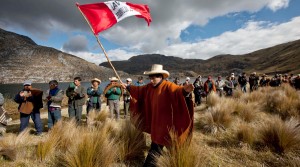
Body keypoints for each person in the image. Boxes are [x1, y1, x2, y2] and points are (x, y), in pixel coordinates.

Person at [123, 64, 194, 167]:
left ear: (161, 76)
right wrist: (128, 87)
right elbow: (139, 90)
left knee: (163, 145)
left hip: (167, 123)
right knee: (159, 144)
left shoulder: (168, 85)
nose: (151, 80)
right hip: (156, 122)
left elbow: (177, 91)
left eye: (154, 78)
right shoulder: (149, 87)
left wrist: (184, 91)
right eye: (150, 78)